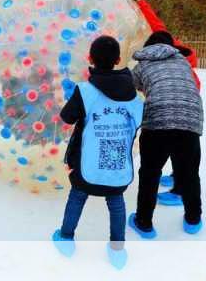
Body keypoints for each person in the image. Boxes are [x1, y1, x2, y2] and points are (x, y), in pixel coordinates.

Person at [52, 36, 143, 270]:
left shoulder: (85, 91)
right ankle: (117, 249)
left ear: (90, 59)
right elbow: (141, 120)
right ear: (118, 60)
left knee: (78, 196)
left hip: (87, 165)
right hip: (118, 166)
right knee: (116, 201)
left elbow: (66, 117)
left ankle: (65, 238)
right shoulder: (133, 94)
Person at [129, 31, 204, 239]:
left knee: (150, 173)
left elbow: (128, 88)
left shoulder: (142, 64)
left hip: (157, 120)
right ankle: (193, 219)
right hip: (190, 119)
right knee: (189, 172)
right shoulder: (182, 62)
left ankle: (143, 222)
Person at [129, 0, 201, 205]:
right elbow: (156, 24)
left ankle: (179, 188)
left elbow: (156, 26)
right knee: (183, 147)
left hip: (173, 107)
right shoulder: (175, 52)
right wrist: (139, 1)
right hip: (190, 108)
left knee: (172, 146)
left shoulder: (155, 59)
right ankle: (190, 208)